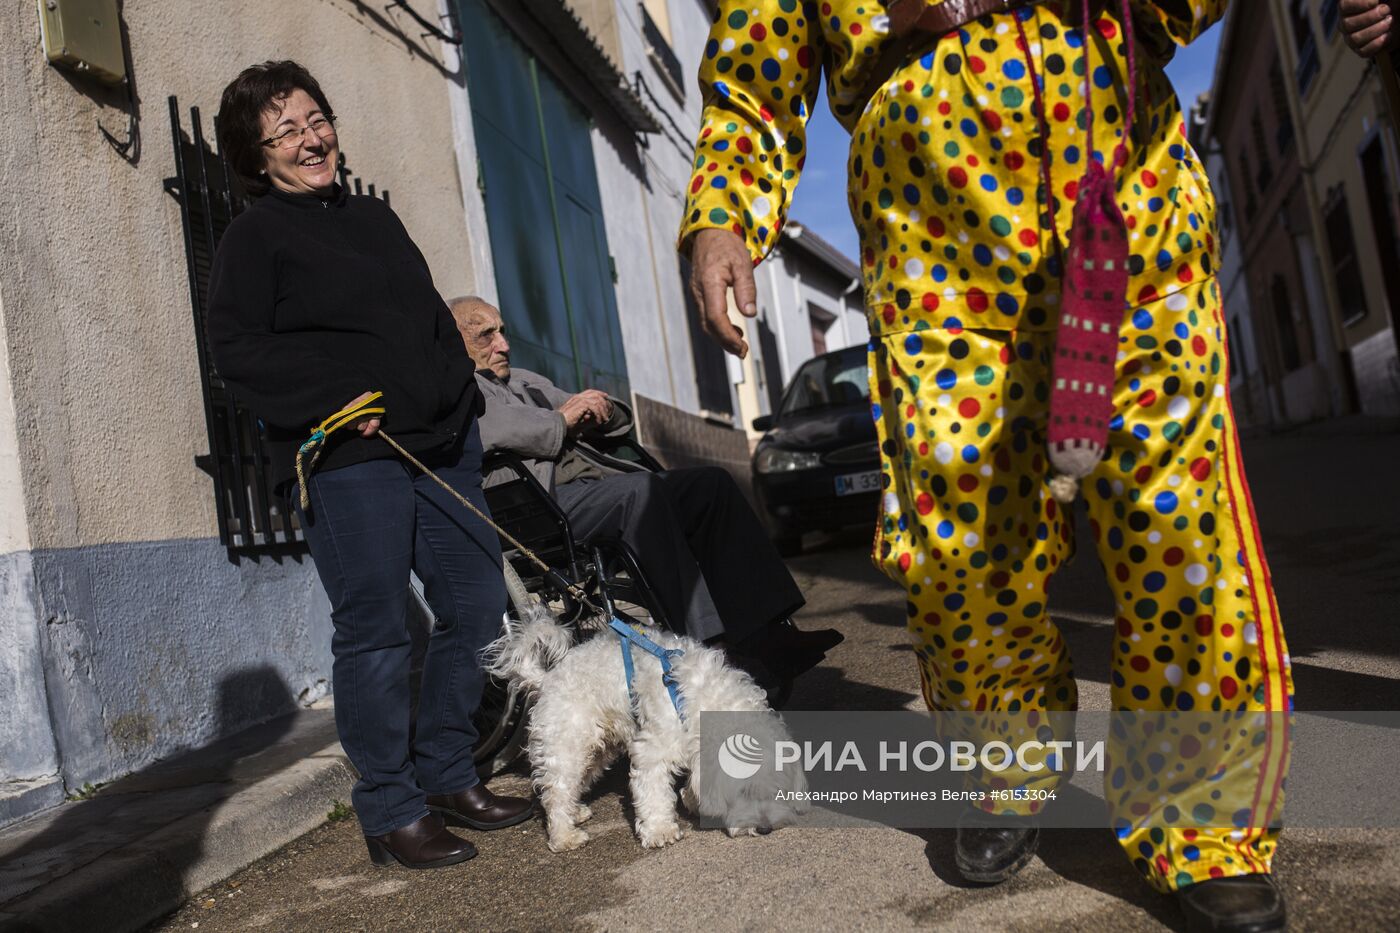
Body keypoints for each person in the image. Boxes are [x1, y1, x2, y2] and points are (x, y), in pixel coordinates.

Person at [678, 2, 1292, 930]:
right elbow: (752, 82)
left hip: (1126, 215)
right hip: (935, 252)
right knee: (963, 559)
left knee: (1183, 537)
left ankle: (1202, 823)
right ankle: (1008, 775)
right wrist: (723, 213)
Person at [206, 61, 531, 870]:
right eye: (285, 131)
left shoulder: (376, 220)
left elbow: (427, 319)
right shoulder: (255, 238)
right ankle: (390, 808)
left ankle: (451, 772)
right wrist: (340, 396)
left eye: (316, 119)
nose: (310, 139)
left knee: (477, 605)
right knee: (378, 629)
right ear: (257, 157)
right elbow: (237, 355)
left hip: (438, 447)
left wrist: (458, 397)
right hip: (348, 454)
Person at [449, 296, 842, 686]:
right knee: (639, 495)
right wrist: (564, 418)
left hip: (595, 488)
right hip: (540, 503)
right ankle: (711, 648)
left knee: (711, 484)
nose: (503, 344)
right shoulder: (460, 389)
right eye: (486, 336)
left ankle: (768, 630)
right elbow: (506, 429)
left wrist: (601, 407)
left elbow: (607, 417)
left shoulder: (525, 380)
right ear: (454, 340)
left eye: (502, 332)